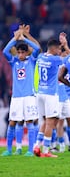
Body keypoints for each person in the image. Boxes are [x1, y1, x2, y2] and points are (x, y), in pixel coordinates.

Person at [1, 26, 40, 157]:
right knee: (13, 122)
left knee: (29, 122)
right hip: (16, 97)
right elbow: (5, 51)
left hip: (29, 96)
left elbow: (38, 49)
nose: (20, 55)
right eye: (18, 52)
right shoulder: (14, 61)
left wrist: (24, 37)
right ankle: (9, 150)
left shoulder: (31, 60)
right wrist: (16, 37)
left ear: (26, 53)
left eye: (23, 52)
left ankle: (30, 150)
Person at [33, 35, 66, 158]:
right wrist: (65, 45)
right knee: (51, 122)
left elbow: (37, 46)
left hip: (40, 93)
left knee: (47, 120)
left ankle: (37, 145)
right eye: (59, 49)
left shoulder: (41, 57)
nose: (59, 52)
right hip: (50, 94)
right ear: (54, 48)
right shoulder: (56, 59)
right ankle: (46, 150)